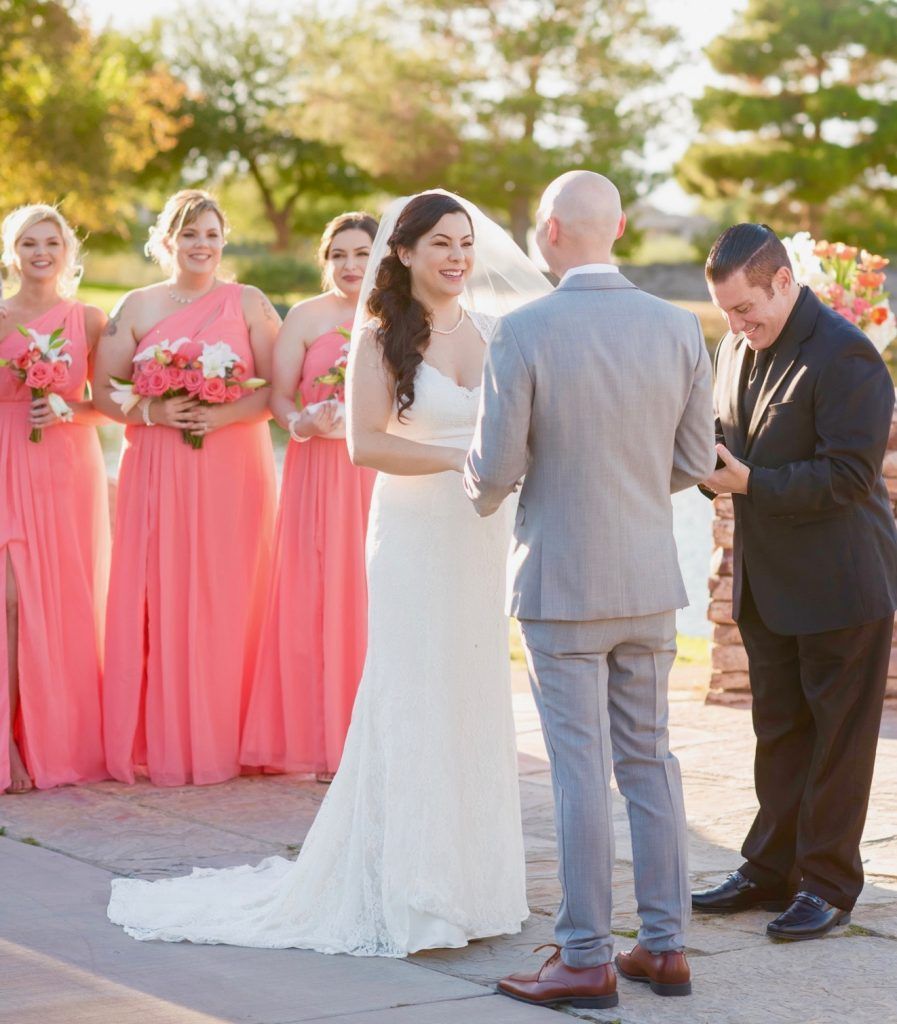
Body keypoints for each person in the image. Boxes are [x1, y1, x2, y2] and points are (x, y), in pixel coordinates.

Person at [106, 189, 549, 956]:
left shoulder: (490, 331)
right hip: (413, 534)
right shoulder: (378, 339)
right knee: (410, 694)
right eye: (439, 243)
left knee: (472, 695)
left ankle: (476, 888)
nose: (455, 257)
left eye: (464, 243)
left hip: (479, 539)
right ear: (403, 253)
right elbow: (365, 446)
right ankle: (409, 889)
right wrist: (463, 460)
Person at [466, 171, 716, 1009]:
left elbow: (494, 470)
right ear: (614, 229)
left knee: (578, 772)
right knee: (650, 761)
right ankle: (665, 946)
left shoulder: (523, 330)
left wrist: (473, 486)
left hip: (561, 583)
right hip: (648, 580)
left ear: (550, 230)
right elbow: (693, 462)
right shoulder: (679, 327)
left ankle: (582, 956)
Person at [693, 224, 897, 940]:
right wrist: (699, 466)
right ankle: (767, 869)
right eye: (725, 312)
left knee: (837, 742)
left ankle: (829, 886)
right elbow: (727, 444)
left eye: (746, 308)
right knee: (777, 732)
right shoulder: (732, 346)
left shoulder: (847, 354)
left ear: (783, 280)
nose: (736, 325)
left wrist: (749, 482)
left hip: (842, 582)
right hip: (766, 581)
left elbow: (847, 477)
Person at [94, 190, 278, 787]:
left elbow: (276, 389)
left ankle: (228, 736)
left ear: (224, 240)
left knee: (227, 592)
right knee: (164, 590)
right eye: (189, 233)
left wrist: (219, 416)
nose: (202, 245)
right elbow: (104, 393)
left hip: (231, 466)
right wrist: (154, 414)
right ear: (167, 241)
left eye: (212, 233)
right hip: (158, 467)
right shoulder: (137, 305)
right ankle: (169, 738)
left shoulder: (250, 302)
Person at [241, 212, 378, 783]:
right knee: (316, 592)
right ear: (325, 260)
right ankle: (322, 742)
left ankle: (376, 738)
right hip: (317, 468)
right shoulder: (304, 316)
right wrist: (302, 423)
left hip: (379, 470)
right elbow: (277, 398)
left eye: (361, 253)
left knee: (373, 592)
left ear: (382, 257)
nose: (349, 266)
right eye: (338, 254)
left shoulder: (399, 315)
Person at [0, 204, 110, 794]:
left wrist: (66, 409)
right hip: (5, 459)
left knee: (59, 600)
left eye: (50, 242)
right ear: (11, 253)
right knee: (10, 601)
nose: (40, 253)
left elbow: (111, 405)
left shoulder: (88, 319)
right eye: (27, 243)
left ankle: (50, 740)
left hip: (66, 466)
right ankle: (10, 746)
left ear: (67, 250)